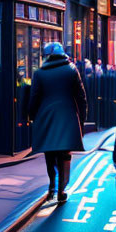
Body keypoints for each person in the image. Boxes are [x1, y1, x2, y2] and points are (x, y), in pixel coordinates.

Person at [29, 42, 88, 203]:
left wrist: (32, 115)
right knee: (64, 155)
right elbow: (81, 96)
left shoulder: (40, 73)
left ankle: (52, 187)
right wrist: (82, 117)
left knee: (50, 153)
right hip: (68, 117)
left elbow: (34, 97)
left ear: (47, 56)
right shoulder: (71, 70)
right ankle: (62, 189)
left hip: (46, 117)